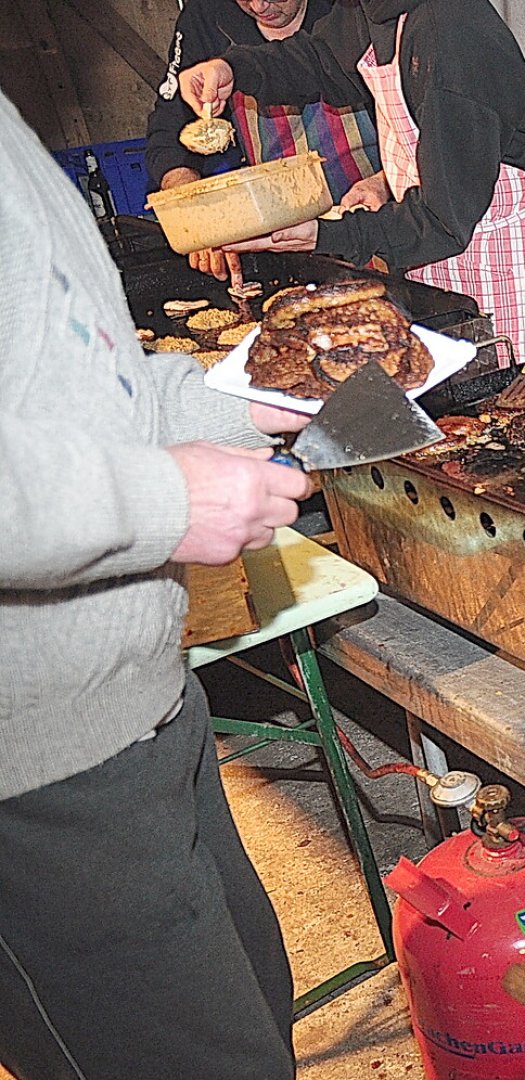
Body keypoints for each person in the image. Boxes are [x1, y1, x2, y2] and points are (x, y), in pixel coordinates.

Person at [0, 87, 315, 1079]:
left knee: (257, 1015)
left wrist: (237, 393)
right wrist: (159, 499)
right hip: (34, 774)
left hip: (145, 709)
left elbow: (71, 383)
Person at [175, 0, 525, 359]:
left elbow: (444, 219)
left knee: (509, 410)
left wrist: (327, 236)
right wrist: (234, 69)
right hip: (427, 253)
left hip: (495, 263)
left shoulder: (453, 35)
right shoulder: (373, 10)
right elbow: (322, 59)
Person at [148, 0, 384, 281]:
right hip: (283, 247)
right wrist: (198, 215)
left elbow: (430, 131)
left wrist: (387, 182)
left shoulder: (356, 10)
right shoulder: (206, 18)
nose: (259, 6)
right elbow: (167, 135)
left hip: (376, 226)